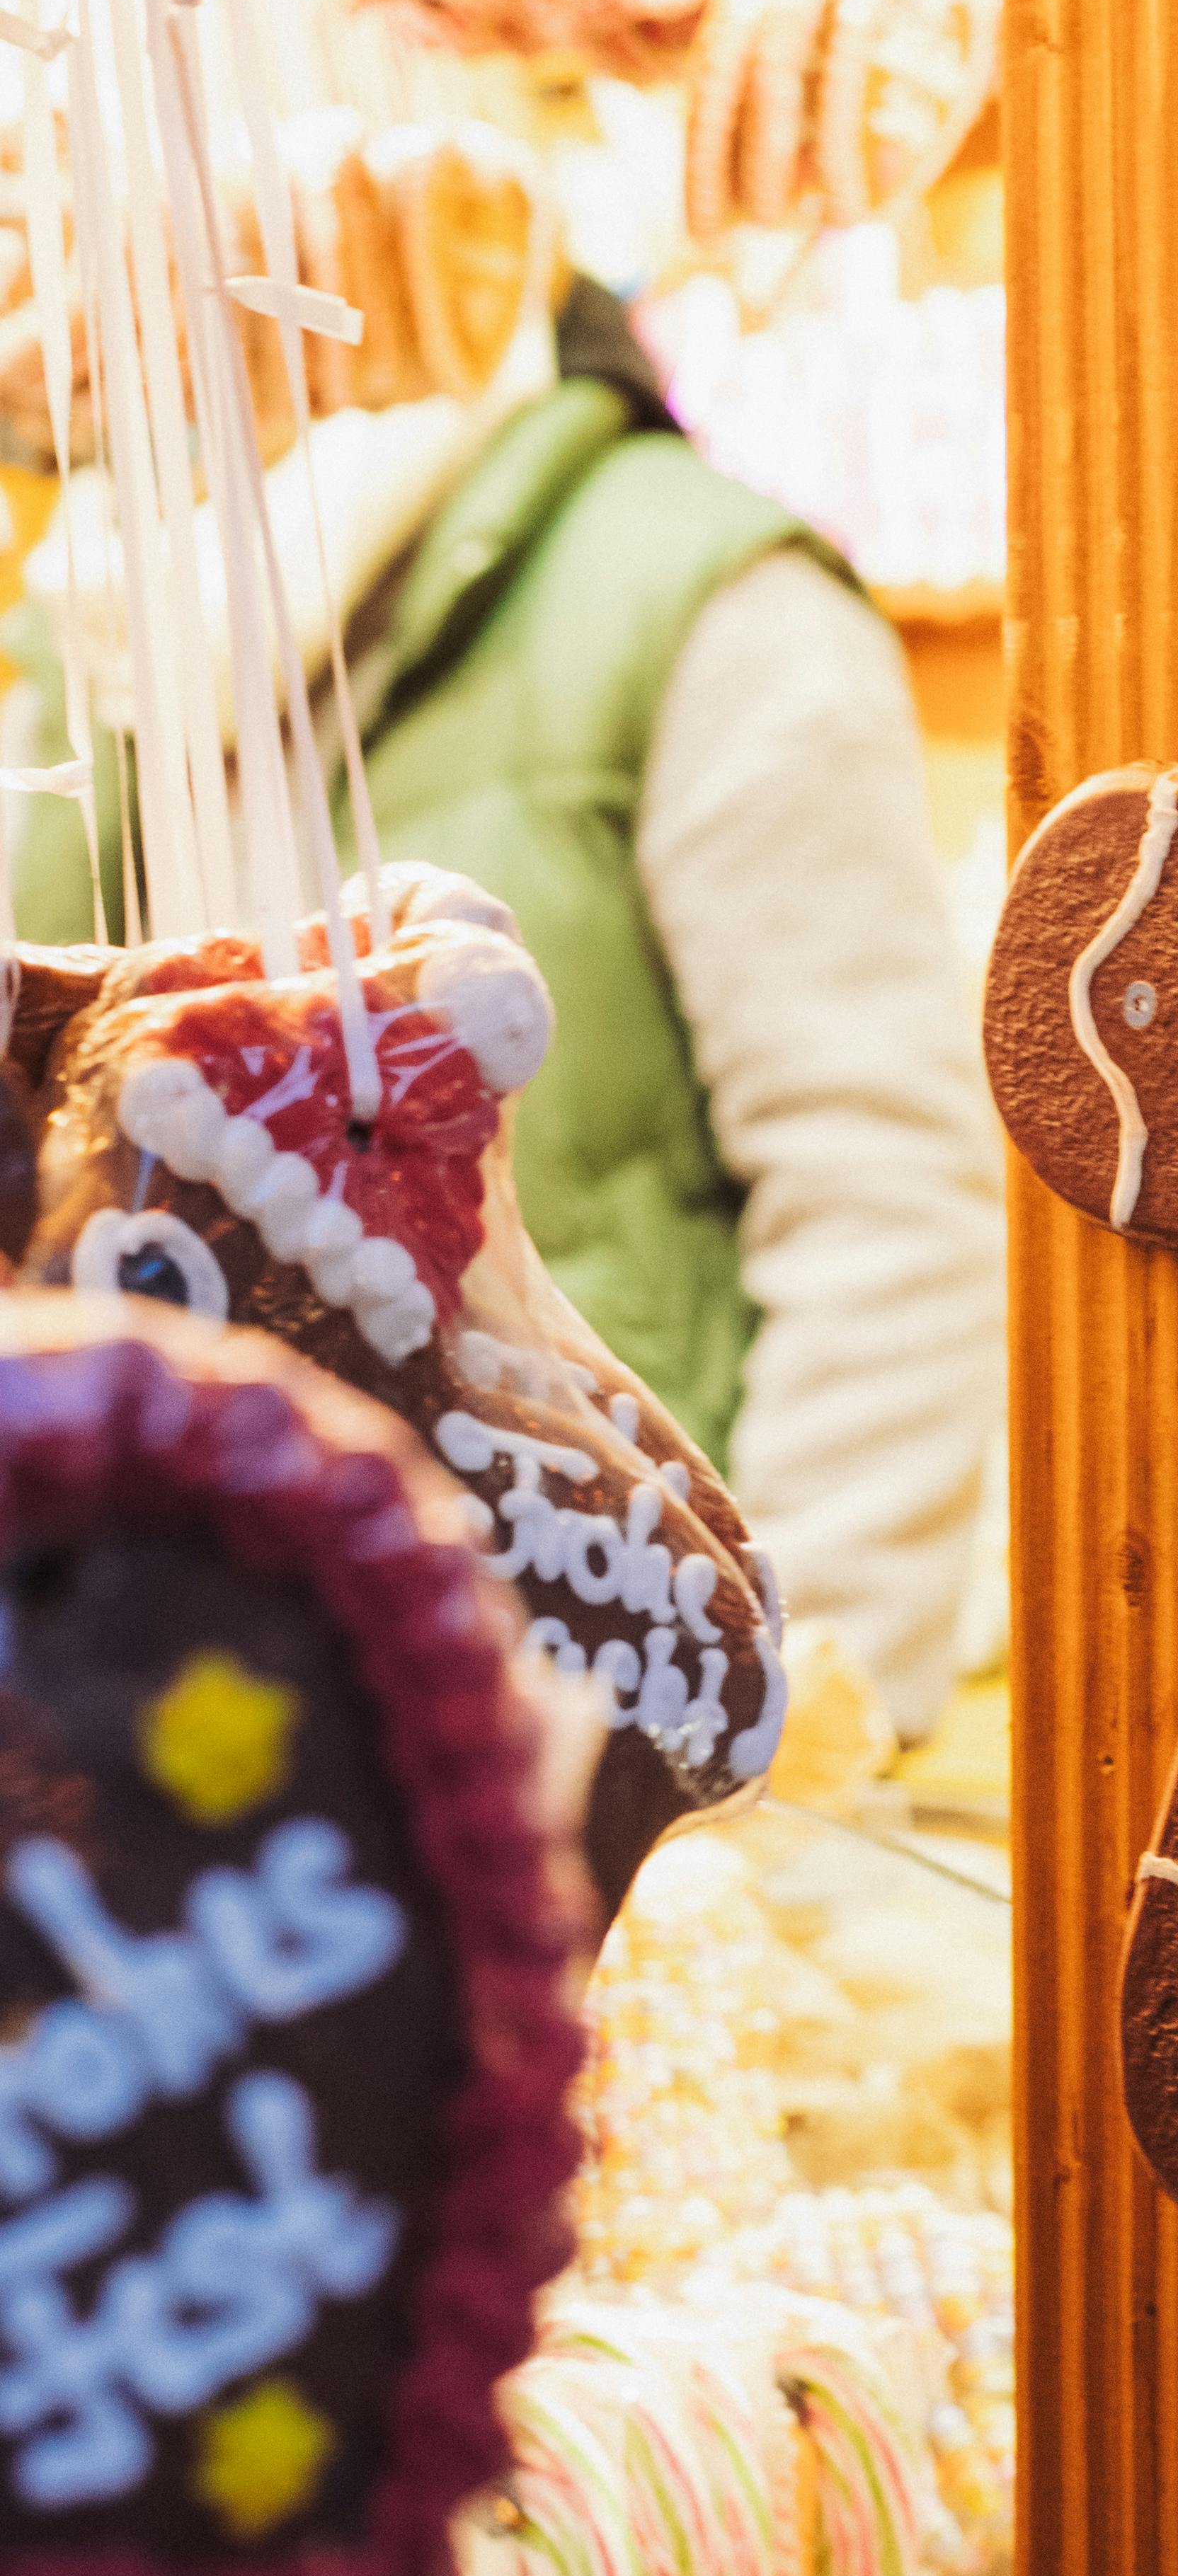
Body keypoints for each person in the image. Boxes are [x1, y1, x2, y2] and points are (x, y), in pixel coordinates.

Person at [4, 275, 1004, 1745]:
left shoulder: (698, 596)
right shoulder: (84, 631)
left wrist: (784, 1744)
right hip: (157, 1737)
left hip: (594, 1682)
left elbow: (884, 1190)